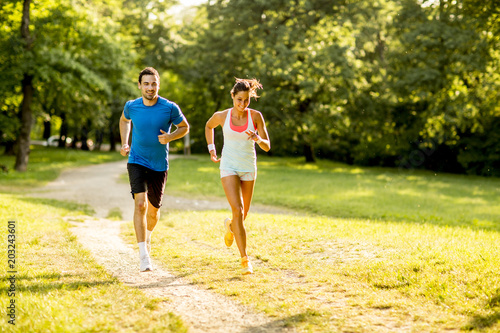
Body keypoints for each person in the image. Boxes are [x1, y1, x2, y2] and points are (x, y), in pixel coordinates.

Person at [119, 67, 189, 272]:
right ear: (140, 85)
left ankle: (148, 236)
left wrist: (170, 137)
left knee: (153, 211)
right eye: (146, 84)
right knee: (140, 205)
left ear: (158, 85)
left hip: (159, 165)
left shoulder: (169, 108)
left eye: (154, 84)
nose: (150, 88)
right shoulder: (131, 106)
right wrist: (125, 142)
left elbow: (185, 127)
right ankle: (143, 255)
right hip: (136, 160)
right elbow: (124, 121)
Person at [205, 78, 271, 275]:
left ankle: (230, 226)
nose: (242, 105)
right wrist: (211, 148)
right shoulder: (222, 116)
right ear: (232, 96)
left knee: (243, 214)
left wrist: (257, 138)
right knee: (238, 209)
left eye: (246, 100)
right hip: (229, 166)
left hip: (248, 167)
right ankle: (245, 260)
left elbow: (267, 146)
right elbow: (209, 126)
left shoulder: (256, 116)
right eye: (239, 99)